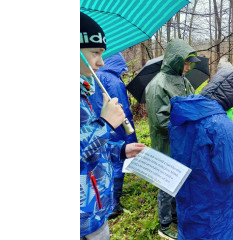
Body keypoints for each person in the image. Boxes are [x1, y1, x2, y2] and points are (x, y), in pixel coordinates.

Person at [80, 12, 145, 239]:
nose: (101, 62)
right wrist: (106, 123)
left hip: (94, 212)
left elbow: (86, 147)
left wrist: (119, 149)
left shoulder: (84, 92)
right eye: (95, 53)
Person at [168, 59, 233, 240]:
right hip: (214, 206)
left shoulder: (183, 114)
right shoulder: (221, 124)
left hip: (187, 198)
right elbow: (231, 170)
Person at [144, 38, 201, 240]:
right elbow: (161, 122)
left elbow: (193, 104)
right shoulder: (158, 84)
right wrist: (186, 121)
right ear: (175, 60)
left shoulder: (184, 81)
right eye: (185, 62)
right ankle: (164, 224)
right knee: (167, 185)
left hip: (183, 144)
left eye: (190, 63)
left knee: (180, 180)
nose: (188, 67)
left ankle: (177, 216)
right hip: (166, 144)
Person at [89, 52, 138, 219]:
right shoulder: (113, 81)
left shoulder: (90, 78)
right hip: (114, 128)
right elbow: (123, 112)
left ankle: (106, 199)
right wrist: (131, 138)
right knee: (117, 164)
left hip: (96, 127)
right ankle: (114, 204)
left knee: (101, 160)